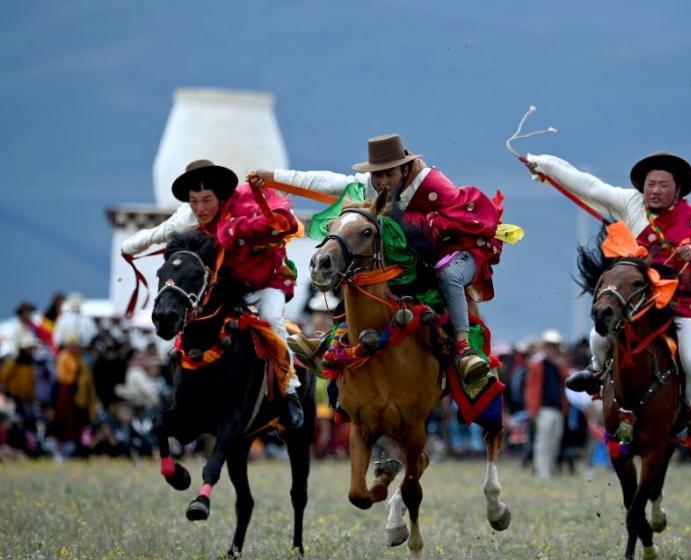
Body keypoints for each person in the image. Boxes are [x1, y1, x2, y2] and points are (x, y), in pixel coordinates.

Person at [248, 134, 503, 385]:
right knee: (360, 273)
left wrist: (414, 226)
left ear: (404, 169)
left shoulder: (434, 185)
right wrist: (272, 178)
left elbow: (462, 222)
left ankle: (465, 349)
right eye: (377, 174)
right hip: (413, 253)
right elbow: (326, 182)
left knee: (448, 277)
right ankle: (331, 341)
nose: (382, 181)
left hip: (460, 246)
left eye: (389, 174)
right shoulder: (371, 185)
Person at [526, 152, 691, 430]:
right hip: (642, 300)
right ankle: (597, 372)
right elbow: (588, 186)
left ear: (678, 190)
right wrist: (542, 164)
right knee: (599, 334)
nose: (655, 190)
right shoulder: (631, 203)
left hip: (687, 302)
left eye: (663, 185)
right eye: (650, 184)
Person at [121, 160, 304, 429]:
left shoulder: (249, 199)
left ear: (221, 195)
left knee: (272, 319)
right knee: (198, 313)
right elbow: (159, 233)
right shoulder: (187, 217)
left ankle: (290, 391)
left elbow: (285, 221)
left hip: (267, 281)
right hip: (230, 285)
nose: (200, 208)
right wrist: (129, 248)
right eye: (194, 201)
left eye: (206, 200)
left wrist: (235, 230)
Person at [524, 329, 569, 480]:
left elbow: (567, 377)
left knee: (555, 441)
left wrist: (559, 363)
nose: (552, 349)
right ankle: (542, 472)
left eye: (554, 346)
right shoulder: (537, 365)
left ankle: (549, 470)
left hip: (557, 408)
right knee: (543, 442)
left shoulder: (558, 366)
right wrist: (532, 409)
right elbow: (531, 388)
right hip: (543, 409)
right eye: (550, 346)